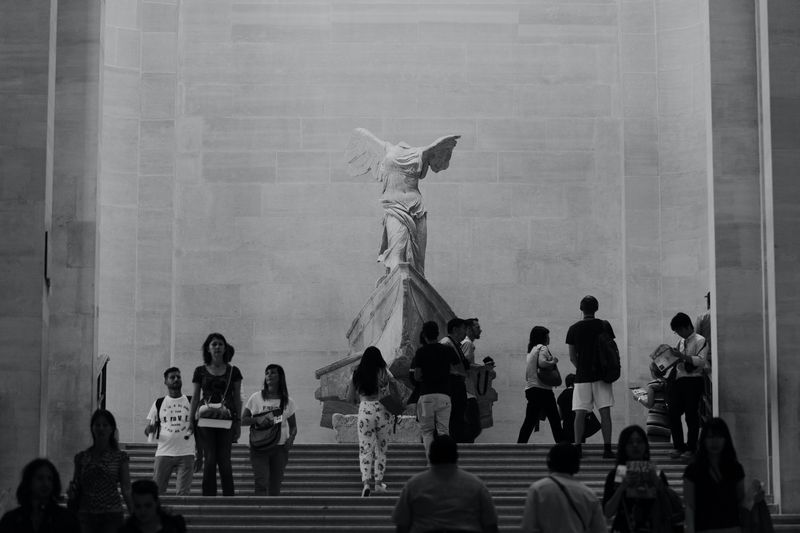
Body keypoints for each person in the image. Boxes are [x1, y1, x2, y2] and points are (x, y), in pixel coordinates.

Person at [344, 128, 461, 277]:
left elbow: (437, 159)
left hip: (417, 209)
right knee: (397, 251)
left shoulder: (422, 152)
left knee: (418, 262)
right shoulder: (385, 149)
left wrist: (442, 144)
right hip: (394, 206)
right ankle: (398, 285)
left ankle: (411, 289)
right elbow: (360, 135)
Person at [392, 435, 498, 533]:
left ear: (430, 455)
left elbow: (402, 524)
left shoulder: (414, 485)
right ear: (456, 456)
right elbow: (490, 524)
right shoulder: (476, 485)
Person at [188, 332, 243, 496]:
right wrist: (191, 420)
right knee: (210, 459)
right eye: (214, 344)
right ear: (208, 348)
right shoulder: (200, 370)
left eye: (220, 344)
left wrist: (238, 422)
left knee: (225, 460)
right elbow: (196, 396)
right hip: (204, 420)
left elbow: (237, 398)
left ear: (225, 348)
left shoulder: (234, 371)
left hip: (227, 419)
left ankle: (229, 498)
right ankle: (208, 497)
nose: (217, 347)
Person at [565, 295, 615, 458]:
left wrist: (582, 369)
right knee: (605, 413)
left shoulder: (573, 329)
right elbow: (611, 351)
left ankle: (578, 447)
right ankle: (607, 449)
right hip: (602, 376)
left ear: (581, 308)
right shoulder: (604, 325)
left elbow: (572, 356)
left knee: (579, 413)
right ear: (596, 308)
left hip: (582, 377)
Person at [68, 409, 132, 533]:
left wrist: (134, 514)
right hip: (86, 513)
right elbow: (76, 485)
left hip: (111, 514)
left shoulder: (120, 458)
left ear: (111, 428)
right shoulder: (82, 457)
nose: (101, 428)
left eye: (105, 425)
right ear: (92, 428)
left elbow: (126, 488)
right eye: (97, 425)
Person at [603, 425, 674, 533]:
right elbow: (608, 512)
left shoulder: (656, 474)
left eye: (639, 441)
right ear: (624, 446)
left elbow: (670, 508)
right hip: (624, 527)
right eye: (630, 442)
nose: (635, 445)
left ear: (646, 445)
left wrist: (657, 483)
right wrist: (622, 487)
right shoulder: (616, 474)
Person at [520, 443, 606, 532]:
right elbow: (600, 530)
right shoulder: (588, 495)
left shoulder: (537, 490)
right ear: (576, 465)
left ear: (550, 462)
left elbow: (528, 527)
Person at [242, 364, 298, 496]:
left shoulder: (288, 402)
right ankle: (260, 513)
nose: (269, 375)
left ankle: (273, 514)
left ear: (280, 377)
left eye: (273, 373)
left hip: (279, 448)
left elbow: (294, 426)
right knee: (261, 482)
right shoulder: (256, 398)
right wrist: (258, 420)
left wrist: (291, 438)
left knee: (275, 485)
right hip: (259, 447)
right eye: (267, 373)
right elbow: (243, 420)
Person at [683, 418, 746, 533]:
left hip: (732, 528)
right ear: (704, 440)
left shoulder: (735, 469)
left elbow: (741, 501)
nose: (714, 442)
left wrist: (753, 498)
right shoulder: (693, 471)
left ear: (725, 439)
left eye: (719, 437)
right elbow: (690, 507)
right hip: (704, 529)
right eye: (710, 437)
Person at [144, 367, 196, 496]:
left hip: (186, 452)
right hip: (164, 452)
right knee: (157, 492)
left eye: (178, 377)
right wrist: (149, 429)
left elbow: (199, 428)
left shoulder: (191, 401)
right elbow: (149, 428)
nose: (176, 379)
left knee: (183, 494)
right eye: (172, 377)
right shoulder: (159, 403)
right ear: (165, 382)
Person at [411, 321, 458, 457]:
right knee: (444, 430)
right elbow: (458, 369)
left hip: (426, 396)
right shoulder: (447, 350)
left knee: (427, 431)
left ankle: (431, 462)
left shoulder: (421, 352)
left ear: (424, 335)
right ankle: (445, 460)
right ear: (438, 334)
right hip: (444, 395)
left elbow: (417, 376)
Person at [352, 346, 392, 497]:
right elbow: (392, 387)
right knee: (381, 448)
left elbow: (351, 396)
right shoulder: (383, 371)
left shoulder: (357, 373)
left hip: (365, 409)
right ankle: (379, 483)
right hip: (382, 409)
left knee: (365, 448)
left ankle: (366, 483)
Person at [668, 312, 709, 459]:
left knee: (691, 415)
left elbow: (701, 361)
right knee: (673, 413)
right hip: (679, 381)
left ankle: (691, 448)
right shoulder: (680, 342)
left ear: (686, 326)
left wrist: (682, 357)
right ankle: (679, 446)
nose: (678, 333)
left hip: (694, 380)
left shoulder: (700, 340)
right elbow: (675, 360)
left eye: (678, 330)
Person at [0, 458, 80, 533]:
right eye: (40, 478)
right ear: (29, 481)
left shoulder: (66, 519)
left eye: (50, 479)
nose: (46, 484)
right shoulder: (11, 519)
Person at [518, 326, 564, 444]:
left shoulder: (532, 350)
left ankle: (520, 445)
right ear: (542, 337)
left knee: (530, 421)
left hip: (531, 389)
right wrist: (553, 361)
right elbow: (542, 363)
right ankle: (561, 445)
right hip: (542, 390)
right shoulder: (542, 348)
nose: (549, 338)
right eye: (547, 335)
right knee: (554, 419)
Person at [440, 318, 470, 442]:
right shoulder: (446, 343)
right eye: (464, 329)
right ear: (455, 329)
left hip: (457, 383)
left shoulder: (455, 344)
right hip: (452, 383)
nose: (465, 332)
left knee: (459, 414)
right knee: (454, 415)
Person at [118, 480, 186, 533]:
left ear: (157, 503)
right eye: (138, 506)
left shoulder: (174, 526)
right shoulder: (127, 530)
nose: (143, 511)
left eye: (148, 506)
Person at [557, 374, 601, 445]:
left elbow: (560, 415)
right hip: (580, 428)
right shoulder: (579, 394)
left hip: (567, 428)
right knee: (579, 448)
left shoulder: (561, 396)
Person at [460, 317, 485, 442]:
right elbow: (463, 365)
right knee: (474, 426)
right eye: (477, 327)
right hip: (466, 392)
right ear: (469, 329)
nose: (480, 330)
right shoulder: (467, 344)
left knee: (470, 426)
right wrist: (481, 368)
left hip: (467, 391)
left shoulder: (466, 344)